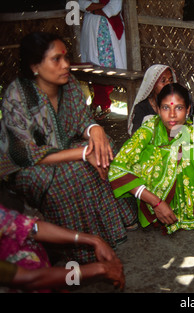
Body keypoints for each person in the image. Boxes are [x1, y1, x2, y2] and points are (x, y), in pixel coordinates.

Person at [0, 32, 137, 264]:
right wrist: (84, 153)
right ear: (35, 66)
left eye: (65, 57)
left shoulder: (70, 84)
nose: (65, 65)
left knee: (106, 148)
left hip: (63, 148)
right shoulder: (18, 95)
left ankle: (111, 226)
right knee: (74, 172)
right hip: (25, 166)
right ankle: (77, 248)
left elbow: (82, 120)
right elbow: (24, 154)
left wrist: (95, 130)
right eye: (56, 59)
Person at [109, 83, 194, 234]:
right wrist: (156, 203)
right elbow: (118, 166)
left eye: (179, 108)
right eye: (166, 108)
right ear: (157, 109)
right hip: (154, 206)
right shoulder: (148, 130)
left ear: (188, 110)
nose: (172, 114)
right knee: (148, 155)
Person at [0, 204, 125, 292]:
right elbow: (28, 279)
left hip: (42, 272)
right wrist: (100, 269)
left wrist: (94, 240)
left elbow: (30, 227)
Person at [79, 0, 127, 120]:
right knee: (93, 65)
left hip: (107, 27)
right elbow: (82, 4)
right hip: (91, 27)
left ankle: (102, 102)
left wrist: (94, 9)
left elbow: (113, 8)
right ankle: (100, 102)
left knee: (108, 65)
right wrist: (99, 8)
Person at [127, 64, 177, 135]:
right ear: (153, 84)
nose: (168, 83)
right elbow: (136, 135)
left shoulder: (180, 103)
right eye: (163, 81)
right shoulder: (142, 108)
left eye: (171, 80)